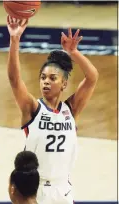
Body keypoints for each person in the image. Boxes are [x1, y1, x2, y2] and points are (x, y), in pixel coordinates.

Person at [6, 15, 99, 204]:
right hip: (35, 190)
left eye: (52, 78)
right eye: (43, 77)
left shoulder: (70, 110)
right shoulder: (33, 108)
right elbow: (15, 80)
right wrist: (14, 39)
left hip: (63, 188)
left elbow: (92, 77)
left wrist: (73, 52)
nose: (46, 81)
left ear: (64, 83)